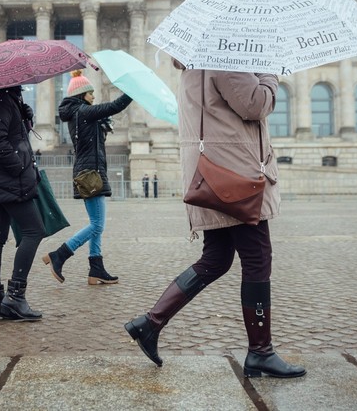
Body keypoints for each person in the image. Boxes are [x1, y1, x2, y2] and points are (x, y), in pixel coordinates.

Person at [124, 67, 306, 379]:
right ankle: (260, 352)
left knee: (216, 259)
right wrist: (270, 75)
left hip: (216, 173)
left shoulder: (199, 64)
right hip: (237, 177)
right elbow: (255, 103)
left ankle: (150, 323)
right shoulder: (225, 60)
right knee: (257, 258)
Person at [43, 70, 132, 285]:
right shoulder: (83, 112)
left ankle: (96, 269)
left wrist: (102, 125)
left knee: (96, 223)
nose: (93, 97)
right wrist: (132, 92)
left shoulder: (80, 114)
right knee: (97, 225)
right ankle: (60, 254)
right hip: (91, 174)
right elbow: (114, 106)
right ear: (82, 95)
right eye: (90, 93)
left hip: (90, 171)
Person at [0, 86, 45, 321]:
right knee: (34, 231)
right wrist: (18, 166)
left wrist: (24, 116)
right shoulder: (1, 100)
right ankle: (14, 297)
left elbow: (7, 134)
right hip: (7, 179)